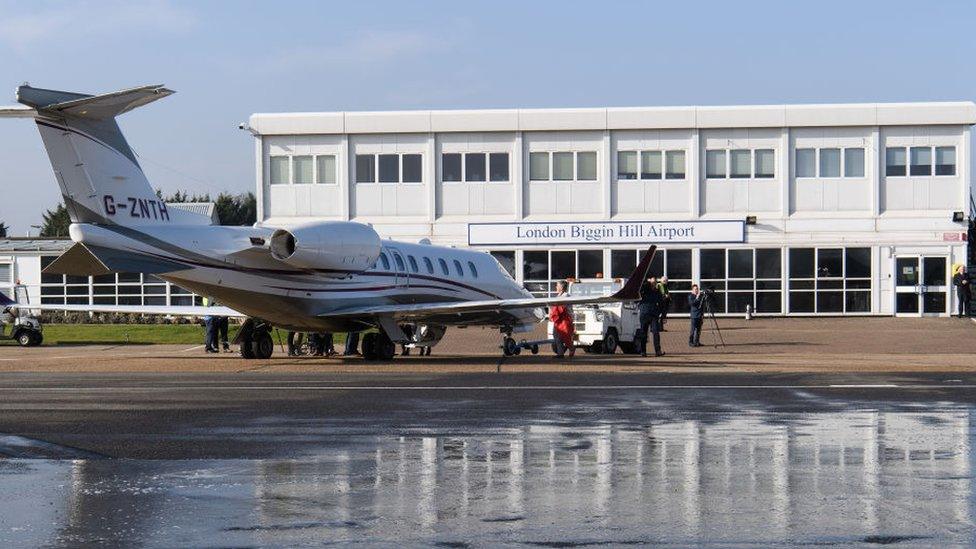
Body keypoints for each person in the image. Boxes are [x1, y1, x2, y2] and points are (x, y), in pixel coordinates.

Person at [636, 277, 664, 357]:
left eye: (654, 282)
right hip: (644, 314)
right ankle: (643, 351)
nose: (653, 284)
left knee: (656, 332)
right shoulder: (644, 290)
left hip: (654, 315)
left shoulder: (657, 291)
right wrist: (646, 282)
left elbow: (661, 303)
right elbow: (640, 286)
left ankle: (658, 351)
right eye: (651, 282)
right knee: (643, 333)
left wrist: (658, 312)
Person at [549, 280, 575, 358]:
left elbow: (561, 307)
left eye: (557, 285)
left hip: (565, 320)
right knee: (556, 335)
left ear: (561, 287)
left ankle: (571, 348)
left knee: (565, 336)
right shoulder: (559, 296)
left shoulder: (566, 296)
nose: (556, 287)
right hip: (559, 319)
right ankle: (561, 353)